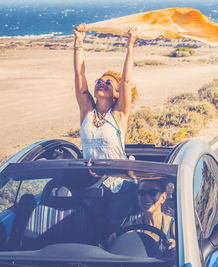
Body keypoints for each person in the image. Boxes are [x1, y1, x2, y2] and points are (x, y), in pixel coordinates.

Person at [73, 23, 139, 239]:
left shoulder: (119, 115)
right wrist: (79, 42)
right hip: (92, 185)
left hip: (121, 188)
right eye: (99, 81)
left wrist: (130, 44)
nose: (101, 84)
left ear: (116, 93)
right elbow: (78, 75)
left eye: (107, 83)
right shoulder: (86, 111)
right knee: (94, 234)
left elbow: (127, 81)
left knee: (114, 233)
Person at [122, 179, 176, 250]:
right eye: (142, 193)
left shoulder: (174, 227)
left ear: (163, 197)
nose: (147, 198)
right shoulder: (130, 227)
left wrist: (176, 248)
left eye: (153, 193)